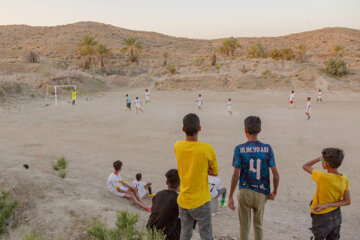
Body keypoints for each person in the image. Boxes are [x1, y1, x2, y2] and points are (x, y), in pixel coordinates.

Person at [228, 116, 280, 240]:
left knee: (244, 226)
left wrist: (230, 196)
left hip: (245, 191)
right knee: (259, 225)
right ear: (260, 130)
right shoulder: (267, 149)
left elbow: (236, 176)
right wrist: (274, 192)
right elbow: (276, 176)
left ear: (245, 130)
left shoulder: (239, 149)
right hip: (262, 192)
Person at [174, 113, 218, 240]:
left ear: (183, 129)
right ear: (199, 128)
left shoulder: (177, 146)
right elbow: (214, 172)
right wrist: (205, 169)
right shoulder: (207, 149)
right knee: (206, 234)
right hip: (201, 200)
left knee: (185, 233)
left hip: (183, 198)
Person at [302, 148, 351, 240]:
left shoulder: (322, 177)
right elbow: (347, 201)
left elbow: (305, 166)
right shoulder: (344, 178)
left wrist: (319, 158)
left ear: (325, 163)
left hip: (321, 216)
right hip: (336, 216)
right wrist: (328, 205)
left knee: (318, 237)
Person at [146, 169, 181, 240]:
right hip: (166, 235)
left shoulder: (158, 194)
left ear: (166, 182)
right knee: (185, 221)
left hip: (151, 229)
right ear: (180, 184)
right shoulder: (179, 199)